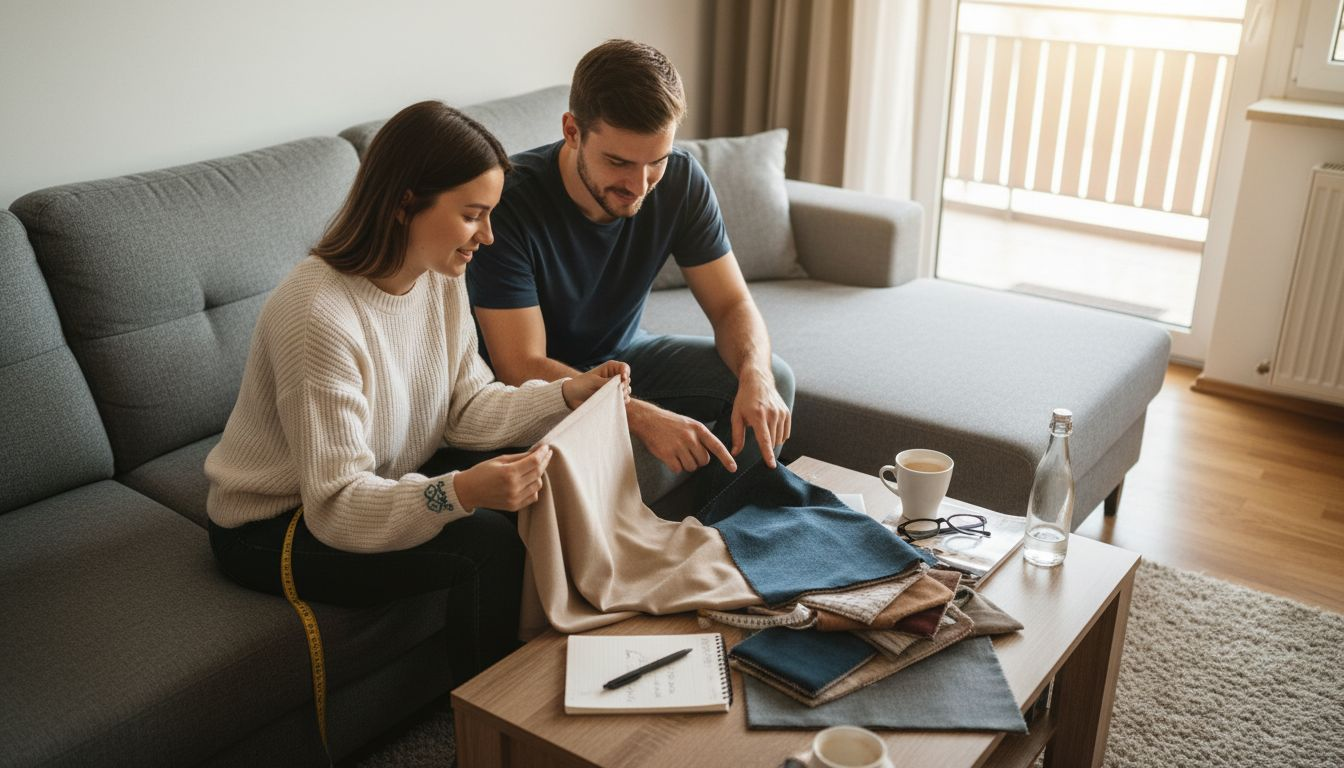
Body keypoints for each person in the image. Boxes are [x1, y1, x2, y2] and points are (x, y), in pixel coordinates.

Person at [204, 100, 629, 685]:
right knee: (485, 542)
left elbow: (466, 408)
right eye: (473, 215)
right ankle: (492, 730)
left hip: (371, 478)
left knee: (539, 477)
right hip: (277, 522)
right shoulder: (317, 316)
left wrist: (566, 395)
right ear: (406, 203)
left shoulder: (439, 274)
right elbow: (335, 505)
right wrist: (458, 491)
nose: (488, 235)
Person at [469, 39, 796, 510]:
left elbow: (731, 306)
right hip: (538, 392)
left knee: (772, 378)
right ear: (572, 131)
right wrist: (634, 415)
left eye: (655, 161)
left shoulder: (682, 179)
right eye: (619, 162)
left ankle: (719, 538)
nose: (638, 185)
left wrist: (755, 376)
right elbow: (520, 367)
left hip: (626, 356)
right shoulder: (511, 203)